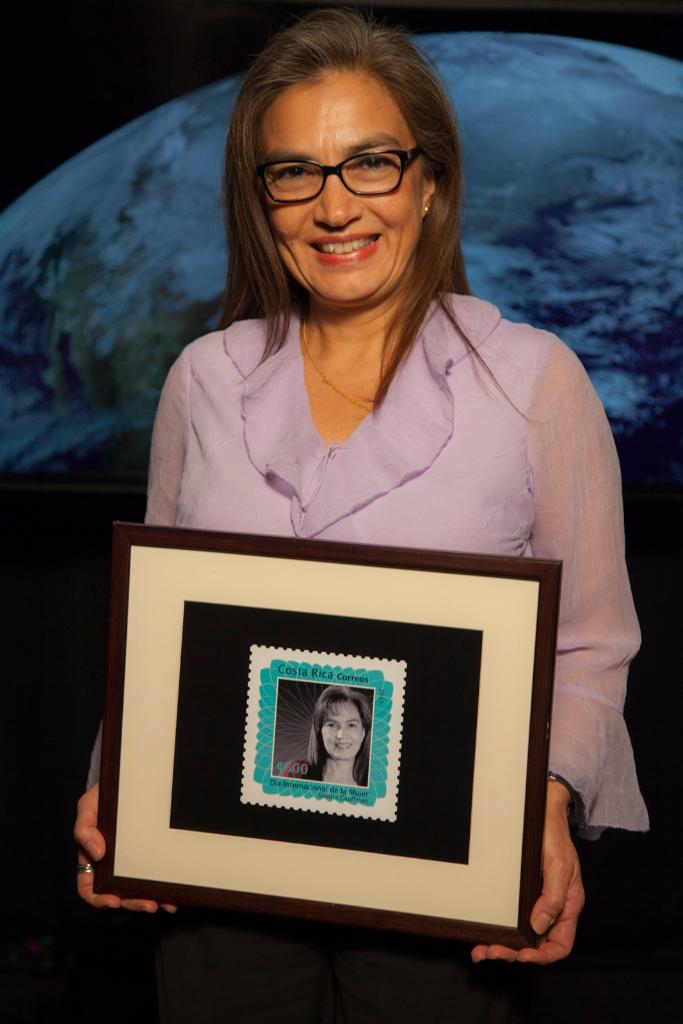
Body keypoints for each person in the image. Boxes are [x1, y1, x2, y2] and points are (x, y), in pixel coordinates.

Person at [74, 8, 648, 1021]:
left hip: (444, 891)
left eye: (369, 163)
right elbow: (158, 638)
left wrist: (550, 802)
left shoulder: (534, 383)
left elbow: (590, 643)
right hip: (224, 880)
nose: (332, 206)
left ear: (427, 183)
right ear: (262, 202)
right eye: (293, 171)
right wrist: (120, 791)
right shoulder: (203, 380)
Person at [305, 685, 372, 786]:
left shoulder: (372, 785)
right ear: (319, 730)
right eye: (332, 725)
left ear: (363, 733)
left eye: (351, 725)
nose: (341, 735)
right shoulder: (295, 773)